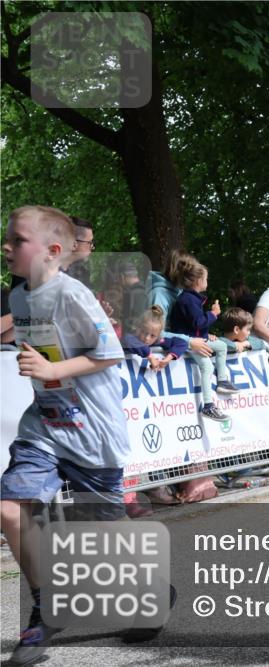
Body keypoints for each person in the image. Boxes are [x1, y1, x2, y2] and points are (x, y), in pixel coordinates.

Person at [0, 207, 138, 664]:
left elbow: (110, 352)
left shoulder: (72, 294)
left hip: (92, 434)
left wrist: (53, 368)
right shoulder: (18, 298)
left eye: (17, 240)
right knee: (10, 508)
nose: (6, 247)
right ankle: (47, 607)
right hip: (44, 427)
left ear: (53, 251)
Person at [169, 257, 241, 421]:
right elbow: (198, 322)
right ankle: (208, 406)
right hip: (188, 342)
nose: (207, 281)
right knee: (207, 367)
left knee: (221, 346)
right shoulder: (188, 299)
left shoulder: (191, 298)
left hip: (196, 338)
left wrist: (205, 335)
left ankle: (222, 380)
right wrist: (214, 314)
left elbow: (194, 324)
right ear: (198, 281)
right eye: (206, 279)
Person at [121, 305, 189, 371]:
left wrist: (168, 358)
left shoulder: (158, 341)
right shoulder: (130, 338)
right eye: (144, 332)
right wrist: (150, 357)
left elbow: (182, 343)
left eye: (152, 336)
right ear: (138, 328)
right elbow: (129, 340)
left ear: (158, 335)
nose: (147, 338)